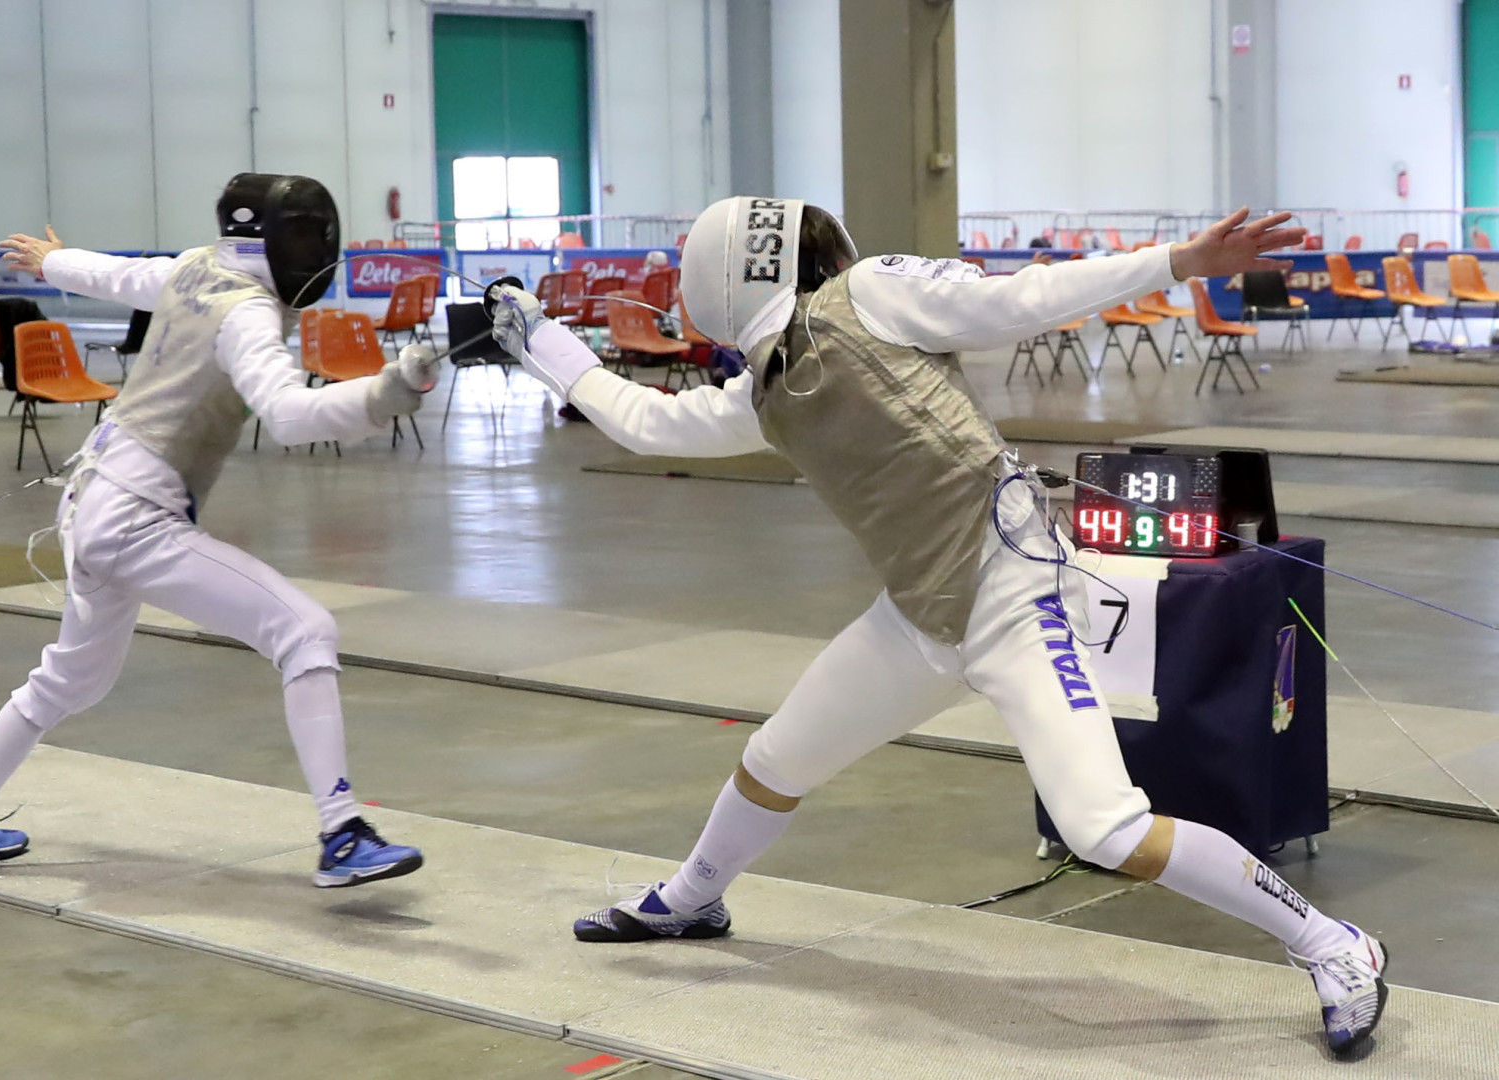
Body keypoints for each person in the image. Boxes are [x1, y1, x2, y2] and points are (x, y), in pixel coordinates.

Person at [488, 200, 1388, 1056]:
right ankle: (691, 902)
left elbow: (1017, 299)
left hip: (1014, 594)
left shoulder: (872, 295)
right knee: (775, 760)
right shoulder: (763, 394)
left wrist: (1176, 263)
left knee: (1103, 829)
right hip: (921, 616)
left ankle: (1333, 942)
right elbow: (648, 422)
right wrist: (546, 345)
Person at [0, 173, 435, 889]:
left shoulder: (196, 266)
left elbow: (125, 274)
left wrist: (52, 262)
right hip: (134, 517)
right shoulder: (249, 312)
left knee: (66, 682)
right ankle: (341, 832)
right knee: (305, 632)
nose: (314, 250)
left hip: (95, 502)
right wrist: (383, 393)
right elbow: (286, 416)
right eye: (305, 236)